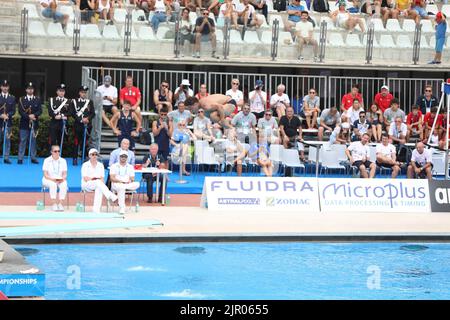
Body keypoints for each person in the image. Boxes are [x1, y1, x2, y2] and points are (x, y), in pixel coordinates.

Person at [82, 148, 118, 213]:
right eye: (93, 154)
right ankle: (111, 195)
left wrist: (97, 180)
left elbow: (102, 179)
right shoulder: (85, 165)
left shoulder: (100, 165)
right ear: (89, 155)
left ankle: (96, 210)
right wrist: (94, 179)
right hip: (87, 184)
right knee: (98, 183)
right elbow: (85, 178)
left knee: (99, 188)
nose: (94, 156)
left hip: (98, 184)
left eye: (96, 154)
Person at [18, 82, 42, 165]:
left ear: (33, 90)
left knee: (33, 141)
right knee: (22, 140)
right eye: (28, 88)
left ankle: (33, 157)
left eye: (31, 89)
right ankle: (20, 158)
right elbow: (20, 111)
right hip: (24, 123)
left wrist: (34, 115)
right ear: (26, 90)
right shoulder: (22, 99)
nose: (30, 90)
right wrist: (29, 116)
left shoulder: (37, 99)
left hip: (34, 123)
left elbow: (40, 111)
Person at [70, 86, 95, 166]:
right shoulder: (74, 101)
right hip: (78, 125)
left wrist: (87, 119)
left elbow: (93, 113)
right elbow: (72, 113)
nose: (83, 94)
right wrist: (81, 119)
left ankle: (84, 158)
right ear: (79, 93)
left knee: (85, 142)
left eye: (85, 92)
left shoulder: (89, 102)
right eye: (82, 92)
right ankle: (75, 158)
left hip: (87, 125)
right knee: (76, 142)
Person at [109, 150, 140, 214]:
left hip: (126, 184)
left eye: (125, 156)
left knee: (137, 184)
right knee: (121, 187)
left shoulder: (130, 167)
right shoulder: (114, 166)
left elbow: (132, 178)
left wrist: (130, 180)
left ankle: (121, 205)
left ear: (127, 158)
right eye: (122, 156)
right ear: (119, 157)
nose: (123, 158)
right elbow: (112, 178)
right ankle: (122, 208)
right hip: (116, 184)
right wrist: (120, 181)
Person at [42, 145, 68, 212]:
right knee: (53, 184)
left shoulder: (63, 160)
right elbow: (45, 175)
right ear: (51, 152)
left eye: (58, 151)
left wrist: (62, 179)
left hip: (59, 179)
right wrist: (52, 179)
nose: (57, 153)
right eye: (55, 151)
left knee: (64, 184)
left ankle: (60, 204)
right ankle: (54, 204)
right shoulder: (46, 160)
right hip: (48, 179)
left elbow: (65, 174)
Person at [48, 84, 70, 155]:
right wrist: (54, 116)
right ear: (57, 92)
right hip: (54, 122)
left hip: (62, 123)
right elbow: (50, 111)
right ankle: (52, 155)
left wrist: (62, 115)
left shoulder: (68, 101)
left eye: (63, 91)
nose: (62, 92)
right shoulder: (52, 100)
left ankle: (59, 155)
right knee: (53, 140)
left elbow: (70, 112)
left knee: (61, 140)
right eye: (60, 91)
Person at [0, 80, 16, 164]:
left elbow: (13, 110)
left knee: (7, 141)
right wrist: (1, 115)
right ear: (1, 87)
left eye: (6, 86)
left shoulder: (12, 98)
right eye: (3, 86)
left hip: (8, 122)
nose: (5, 87)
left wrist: (8, 115)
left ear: (8, 87)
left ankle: (6, 157)